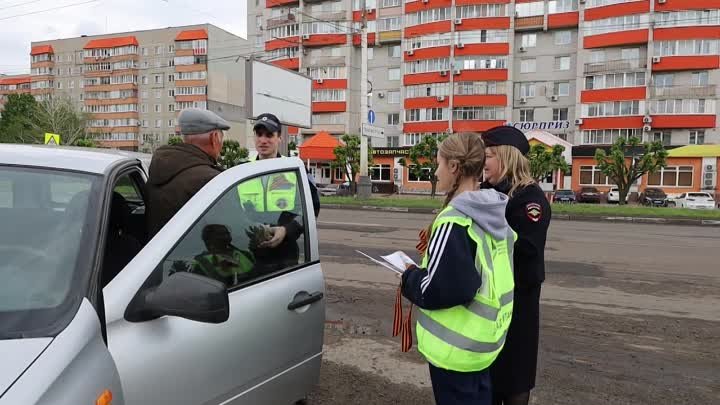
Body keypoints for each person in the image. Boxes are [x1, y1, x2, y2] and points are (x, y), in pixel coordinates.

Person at [401, 133, 516, 405]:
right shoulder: (492, 210)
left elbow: (441, 291)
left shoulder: (454, 220)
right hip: (484, 343)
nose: (436, 171)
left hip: (456, 350)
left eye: (439, 163)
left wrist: (407, 276)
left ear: (454, 166)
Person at [480, 126, 551, 405]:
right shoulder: (486, 190)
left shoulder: (529, 198)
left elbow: (526, 249)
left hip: (519, 298)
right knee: (490, 370)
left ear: (506, 157)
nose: (483, 162)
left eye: (488, 156)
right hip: (490, 296)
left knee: (515, 374)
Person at [145, 108, 228, 239]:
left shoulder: (160, 168)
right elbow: (230, 229)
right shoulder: (211, 180)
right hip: (197, 257)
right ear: (214, 138)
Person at [189, 224, 255, 286]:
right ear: (208, 240)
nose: (226, 236)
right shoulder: (202, 262)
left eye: (227, 233)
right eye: (220, 234)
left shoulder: (246, 254)